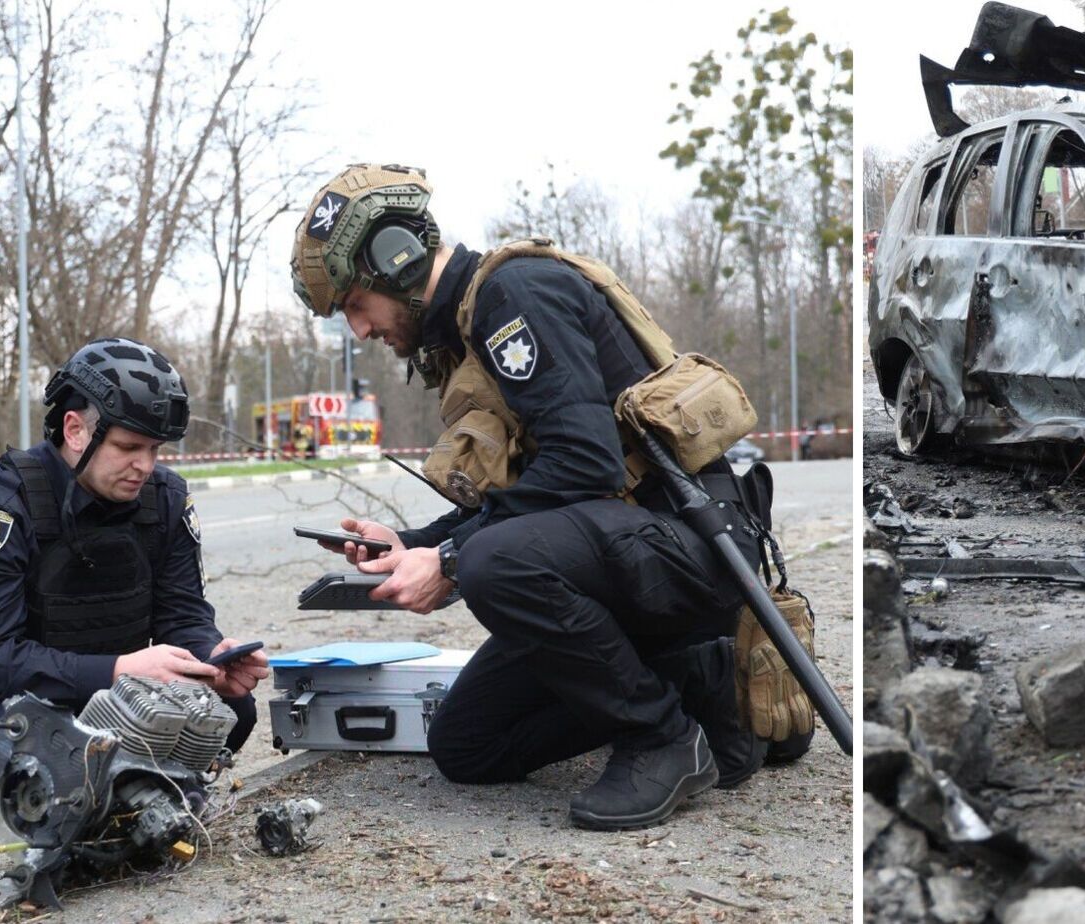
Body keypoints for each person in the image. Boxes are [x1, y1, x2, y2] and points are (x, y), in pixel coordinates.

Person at [287, 164, 770, 830]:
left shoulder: (515, 296)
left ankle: (661, 737)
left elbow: (586, 465)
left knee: (493, 564)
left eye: (352, 305)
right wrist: (416, 546)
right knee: (467, 745)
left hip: (684, 555)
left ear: (391, 262)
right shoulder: (468, 331)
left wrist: (453, 561)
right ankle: (694, 682)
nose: (360, 330)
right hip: (622, 560)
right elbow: (528, 496)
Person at [0, 338, 270, 882]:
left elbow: (182, 611)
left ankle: (129, 819)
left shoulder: (163, 499)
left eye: (156, 450)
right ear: (76, 431)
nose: (145, 466)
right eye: (130, 447)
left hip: (99, 683)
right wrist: (118, 669)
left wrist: (213, 654)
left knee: (226, 710)